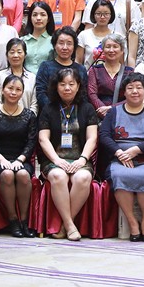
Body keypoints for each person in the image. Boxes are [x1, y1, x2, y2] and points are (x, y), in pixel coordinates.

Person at [37, 69, 102, 241]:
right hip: (54, 159)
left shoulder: (87, 108)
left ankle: (65, 225)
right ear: (56, 87)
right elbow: (43, 139)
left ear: (78, 86)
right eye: (63, 84)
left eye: (71, 84)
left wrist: (82, 159)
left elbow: (92, 138)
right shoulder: (48, 109)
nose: (67, 88)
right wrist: (57, 160)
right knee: (58, 176)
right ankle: (70, 226)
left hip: (80, 159)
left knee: (83, 178)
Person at [100, 76, 144, 241]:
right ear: (124, 92)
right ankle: (132, 222)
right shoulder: (113, 112)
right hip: (119, 158)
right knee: (118, 174)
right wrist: (119, 153)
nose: (135, 91)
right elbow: (104, 135)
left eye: (139, 87)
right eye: (130, 88)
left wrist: (135, 151)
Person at [0, 73, 41, 238]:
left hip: (21, 159)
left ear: (22, 93)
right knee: (7, 174)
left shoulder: (29, 115)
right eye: (10, 88)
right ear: (2, 90)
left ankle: (24, 220)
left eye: (18, 89)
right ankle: (12, 219)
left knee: (22, 174)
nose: (13, 92)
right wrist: (1, 159)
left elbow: (31, 142)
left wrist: (20, 159)